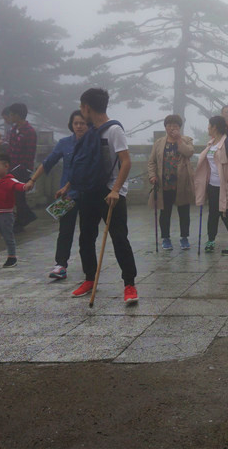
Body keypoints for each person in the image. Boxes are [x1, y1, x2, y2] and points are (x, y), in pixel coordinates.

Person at [67, 88, 139, 304]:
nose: (81, 111)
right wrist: (69, 186)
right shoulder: (91, 131)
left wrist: (116, 190)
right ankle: (90, 278)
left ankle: (129, 284)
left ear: (87, 107)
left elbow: (126, 161)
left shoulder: (114, 130)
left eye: (82, 107)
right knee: (86, 238)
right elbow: (84, 163)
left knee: (119, 238)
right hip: (89, 190)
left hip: (111, 192)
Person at [26, 110, 86, 280]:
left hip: (88, 193)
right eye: (76, 123)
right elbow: (47, 163)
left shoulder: (92, 143)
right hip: (67, 195)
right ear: (71, 125)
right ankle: (60, 265)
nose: (79, 126)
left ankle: (88, 264)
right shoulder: (64, 143)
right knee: (65, 230)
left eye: (83, 123)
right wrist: (32, 180)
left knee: (88, 232)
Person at [194, 115, 228, 255]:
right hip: (212, 185)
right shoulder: (211, 143)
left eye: (209, 125)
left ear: (215, 127)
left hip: (226, 187)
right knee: (213, 214)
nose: (207, 128)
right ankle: (211, 240)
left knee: (226, 214)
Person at [147, 115, 196, 250]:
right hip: (164, 183)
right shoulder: (159, 143)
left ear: (179, 127)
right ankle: (166, 238)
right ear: (165, 127)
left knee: (184, 212)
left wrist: (179, 139)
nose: (172, 128)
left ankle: (184, 237)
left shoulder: (187, 140)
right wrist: (152, 176)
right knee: (165, 212)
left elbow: (189, 152)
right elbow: (152, 162)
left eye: (175, 126)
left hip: (182, 183)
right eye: (169, 126)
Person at [0, 154, 30, 272]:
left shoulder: (10, 180)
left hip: (5, 214)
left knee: (7, 236)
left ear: (6, 166)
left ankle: (12, 257)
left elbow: (19, 186)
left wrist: (27, 186)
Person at [3, 103, 38, 229]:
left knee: (18, 195)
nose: (10, 117)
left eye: (12, 115)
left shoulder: (29, 131)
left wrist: (26, 169)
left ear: (18, 115)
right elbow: (10, 149)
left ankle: (22, 219)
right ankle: (25, 217)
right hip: (12, 166)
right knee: (15, 195)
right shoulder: (14, 130)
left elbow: (30, 153)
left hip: (22, 168)